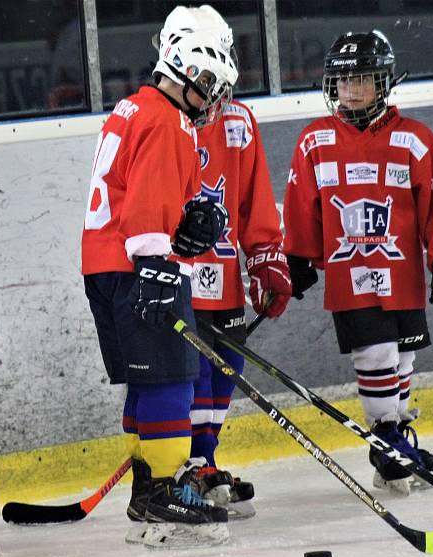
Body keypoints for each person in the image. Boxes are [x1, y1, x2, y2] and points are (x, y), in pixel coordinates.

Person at [282, 31, 433, 496]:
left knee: (403, 358)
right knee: (377, 356)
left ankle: (393, 439)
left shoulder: (414, 139)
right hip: (351, 279)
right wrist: (299, 256)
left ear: (383, 83)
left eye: (361, 80)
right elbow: (300, 205)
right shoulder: (315, 141)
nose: (349, 91)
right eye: (342, 81)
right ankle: (386, 442)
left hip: (401, 275)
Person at [81, 10, 237, 548]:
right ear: (187, 66)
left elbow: (143, 190)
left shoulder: (135, 107)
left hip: (105, 266)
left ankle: (148, 484)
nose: (214, 93)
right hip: (138, 266)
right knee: (172, 381)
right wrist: (157, 261)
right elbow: (147, 201)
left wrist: (190, 220)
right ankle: (163, 489)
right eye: (212, 80)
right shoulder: (169, 120)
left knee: (148, 382)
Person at [157, 6, 292, 519]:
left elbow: (256, 206)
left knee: (224, 369)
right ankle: (185, 465)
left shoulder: (239, 122)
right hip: (177, 276)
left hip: (225, 279)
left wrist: (265, 261)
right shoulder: (161, 120)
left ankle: (205, 461)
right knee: (185, 375)